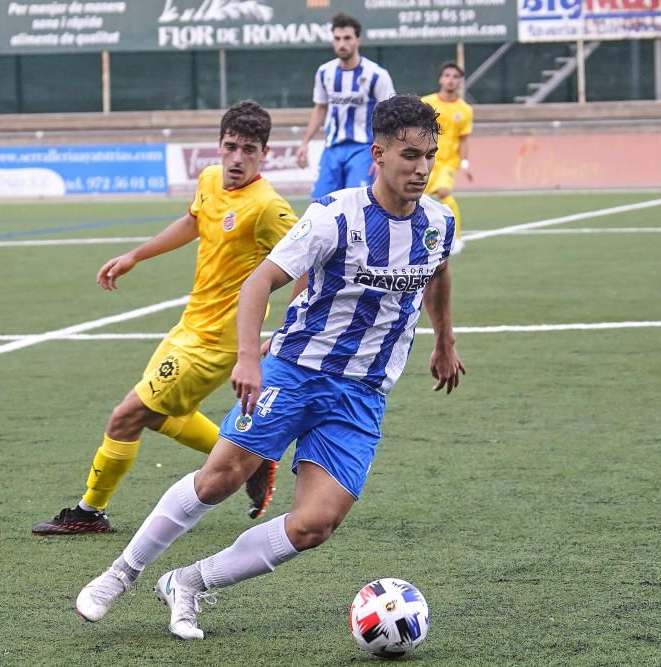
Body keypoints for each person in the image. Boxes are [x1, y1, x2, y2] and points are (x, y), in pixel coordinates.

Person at [74, 94, 466, 641]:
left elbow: (438, 273)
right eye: (408, 155)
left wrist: (444, 341)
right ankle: (120, 573)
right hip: (295, 370)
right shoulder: (335, 215)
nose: (421, 168)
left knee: (315, 525)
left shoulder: (439, 222)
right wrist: (250, 359)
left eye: (429, 155)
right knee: (220, 479)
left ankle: (188, 582)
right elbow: (260, 282)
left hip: (363, 393)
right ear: (378, 154)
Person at [33, 100, 301, 534]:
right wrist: (136, 255)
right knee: (156, 415)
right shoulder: (211, 179)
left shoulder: (268, 207)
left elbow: (311, 262)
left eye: (248, 150)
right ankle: (251, 459)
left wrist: (290, 327)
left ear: (265, 153)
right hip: (189, 326)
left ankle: (88, 513)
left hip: (218, 341)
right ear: (218, 145)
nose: (237, 158)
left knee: (126, 415)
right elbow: (193, 221)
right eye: (231, 146)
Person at [295, 11, 395, 200]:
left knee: (358, 203)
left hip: (363, 149)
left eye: (347, 38)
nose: (342, 43)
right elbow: (320, 108)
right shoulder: (324, 72)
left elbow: (391, 115)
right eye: (337, 38)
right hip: (331, 149)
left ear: (358, 40)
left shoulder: (377, 75)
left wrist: (385, 152)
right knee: (320, 205)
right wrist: (305, 142)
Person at [421, 61, 473, 256]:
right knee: (416, 198)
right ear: (441, 79)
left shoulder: (465, 110)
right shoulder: (427, 102)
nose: (451, 80)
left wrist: (465, 162)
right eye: (447, 75)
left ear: (460, 82)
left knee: (443, 191)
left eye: (455, 77)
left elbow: (464, 138)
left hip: (448, 163)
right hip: (425, 159)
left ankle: (456, 238)